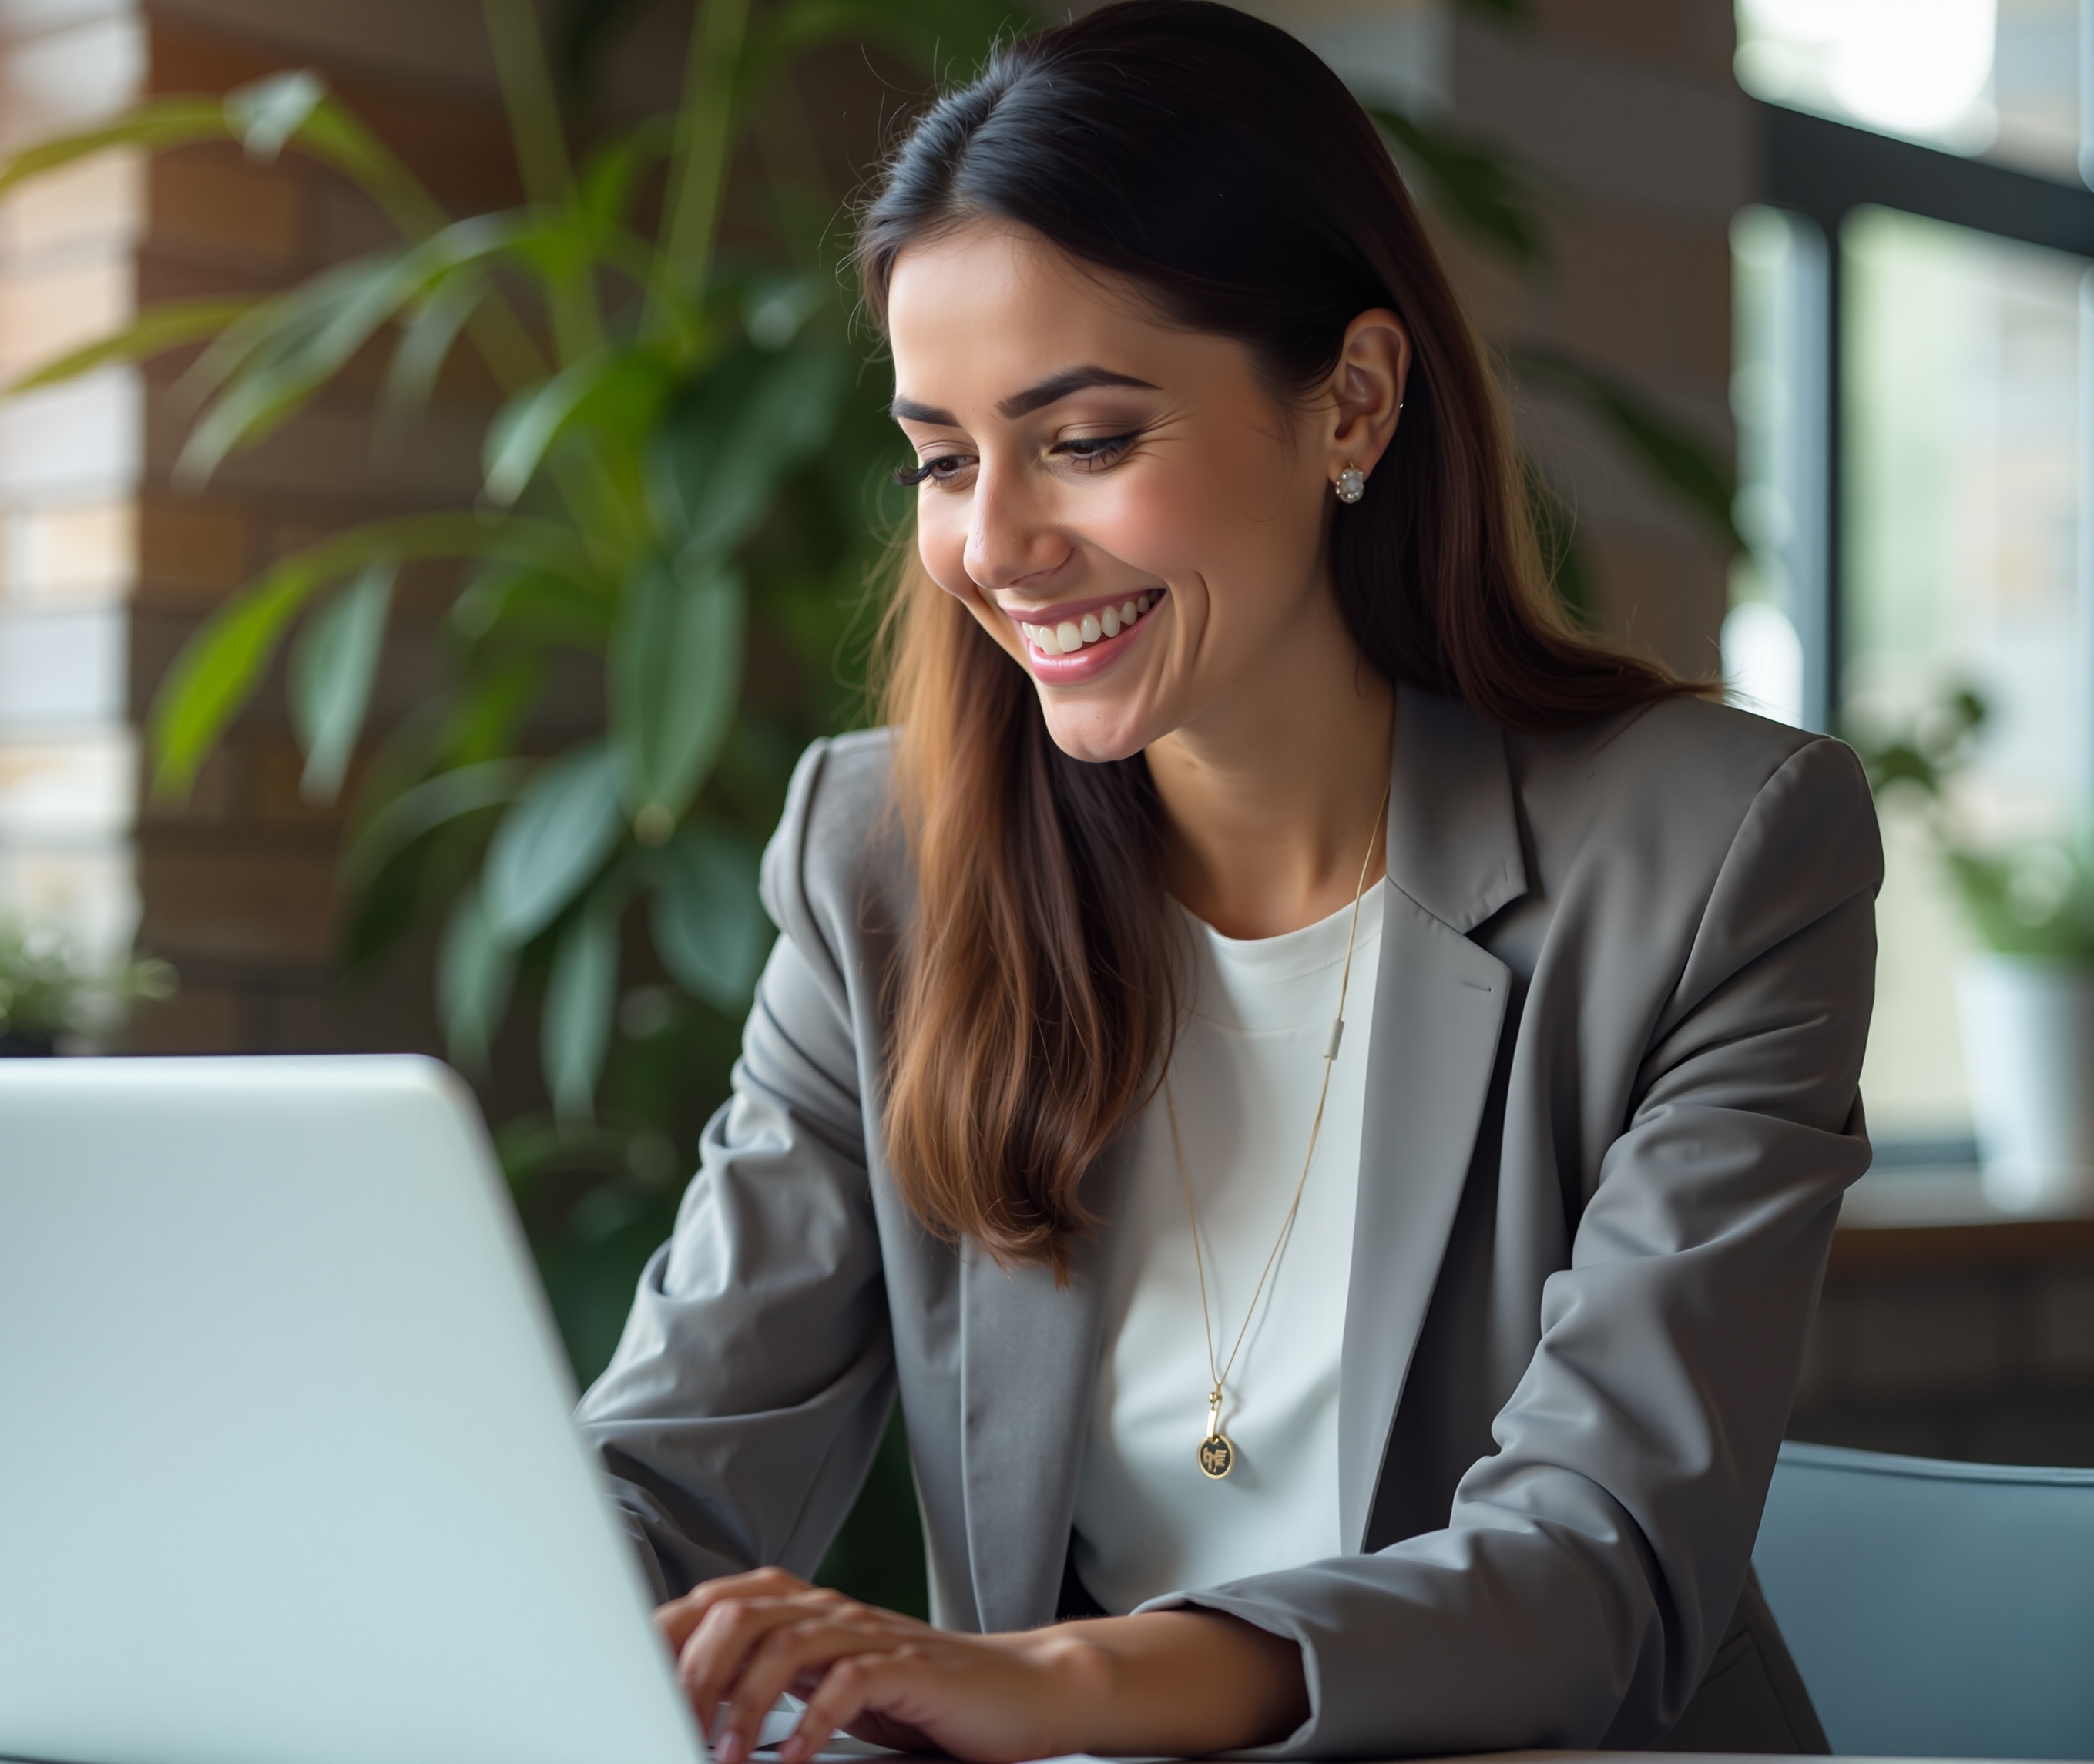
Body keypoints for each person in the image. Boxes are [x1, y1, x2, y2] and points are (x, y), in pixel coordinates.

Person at [576, 3, 1880, 1757]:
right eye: (943, 459)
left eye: (1087, 438)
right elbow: (666, 1470)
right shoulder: (881, 865)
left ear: (1350, 398)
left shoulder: (1713, 856)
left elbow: (1595, 1564)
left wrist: (1054, 1682)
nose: (993, 543)